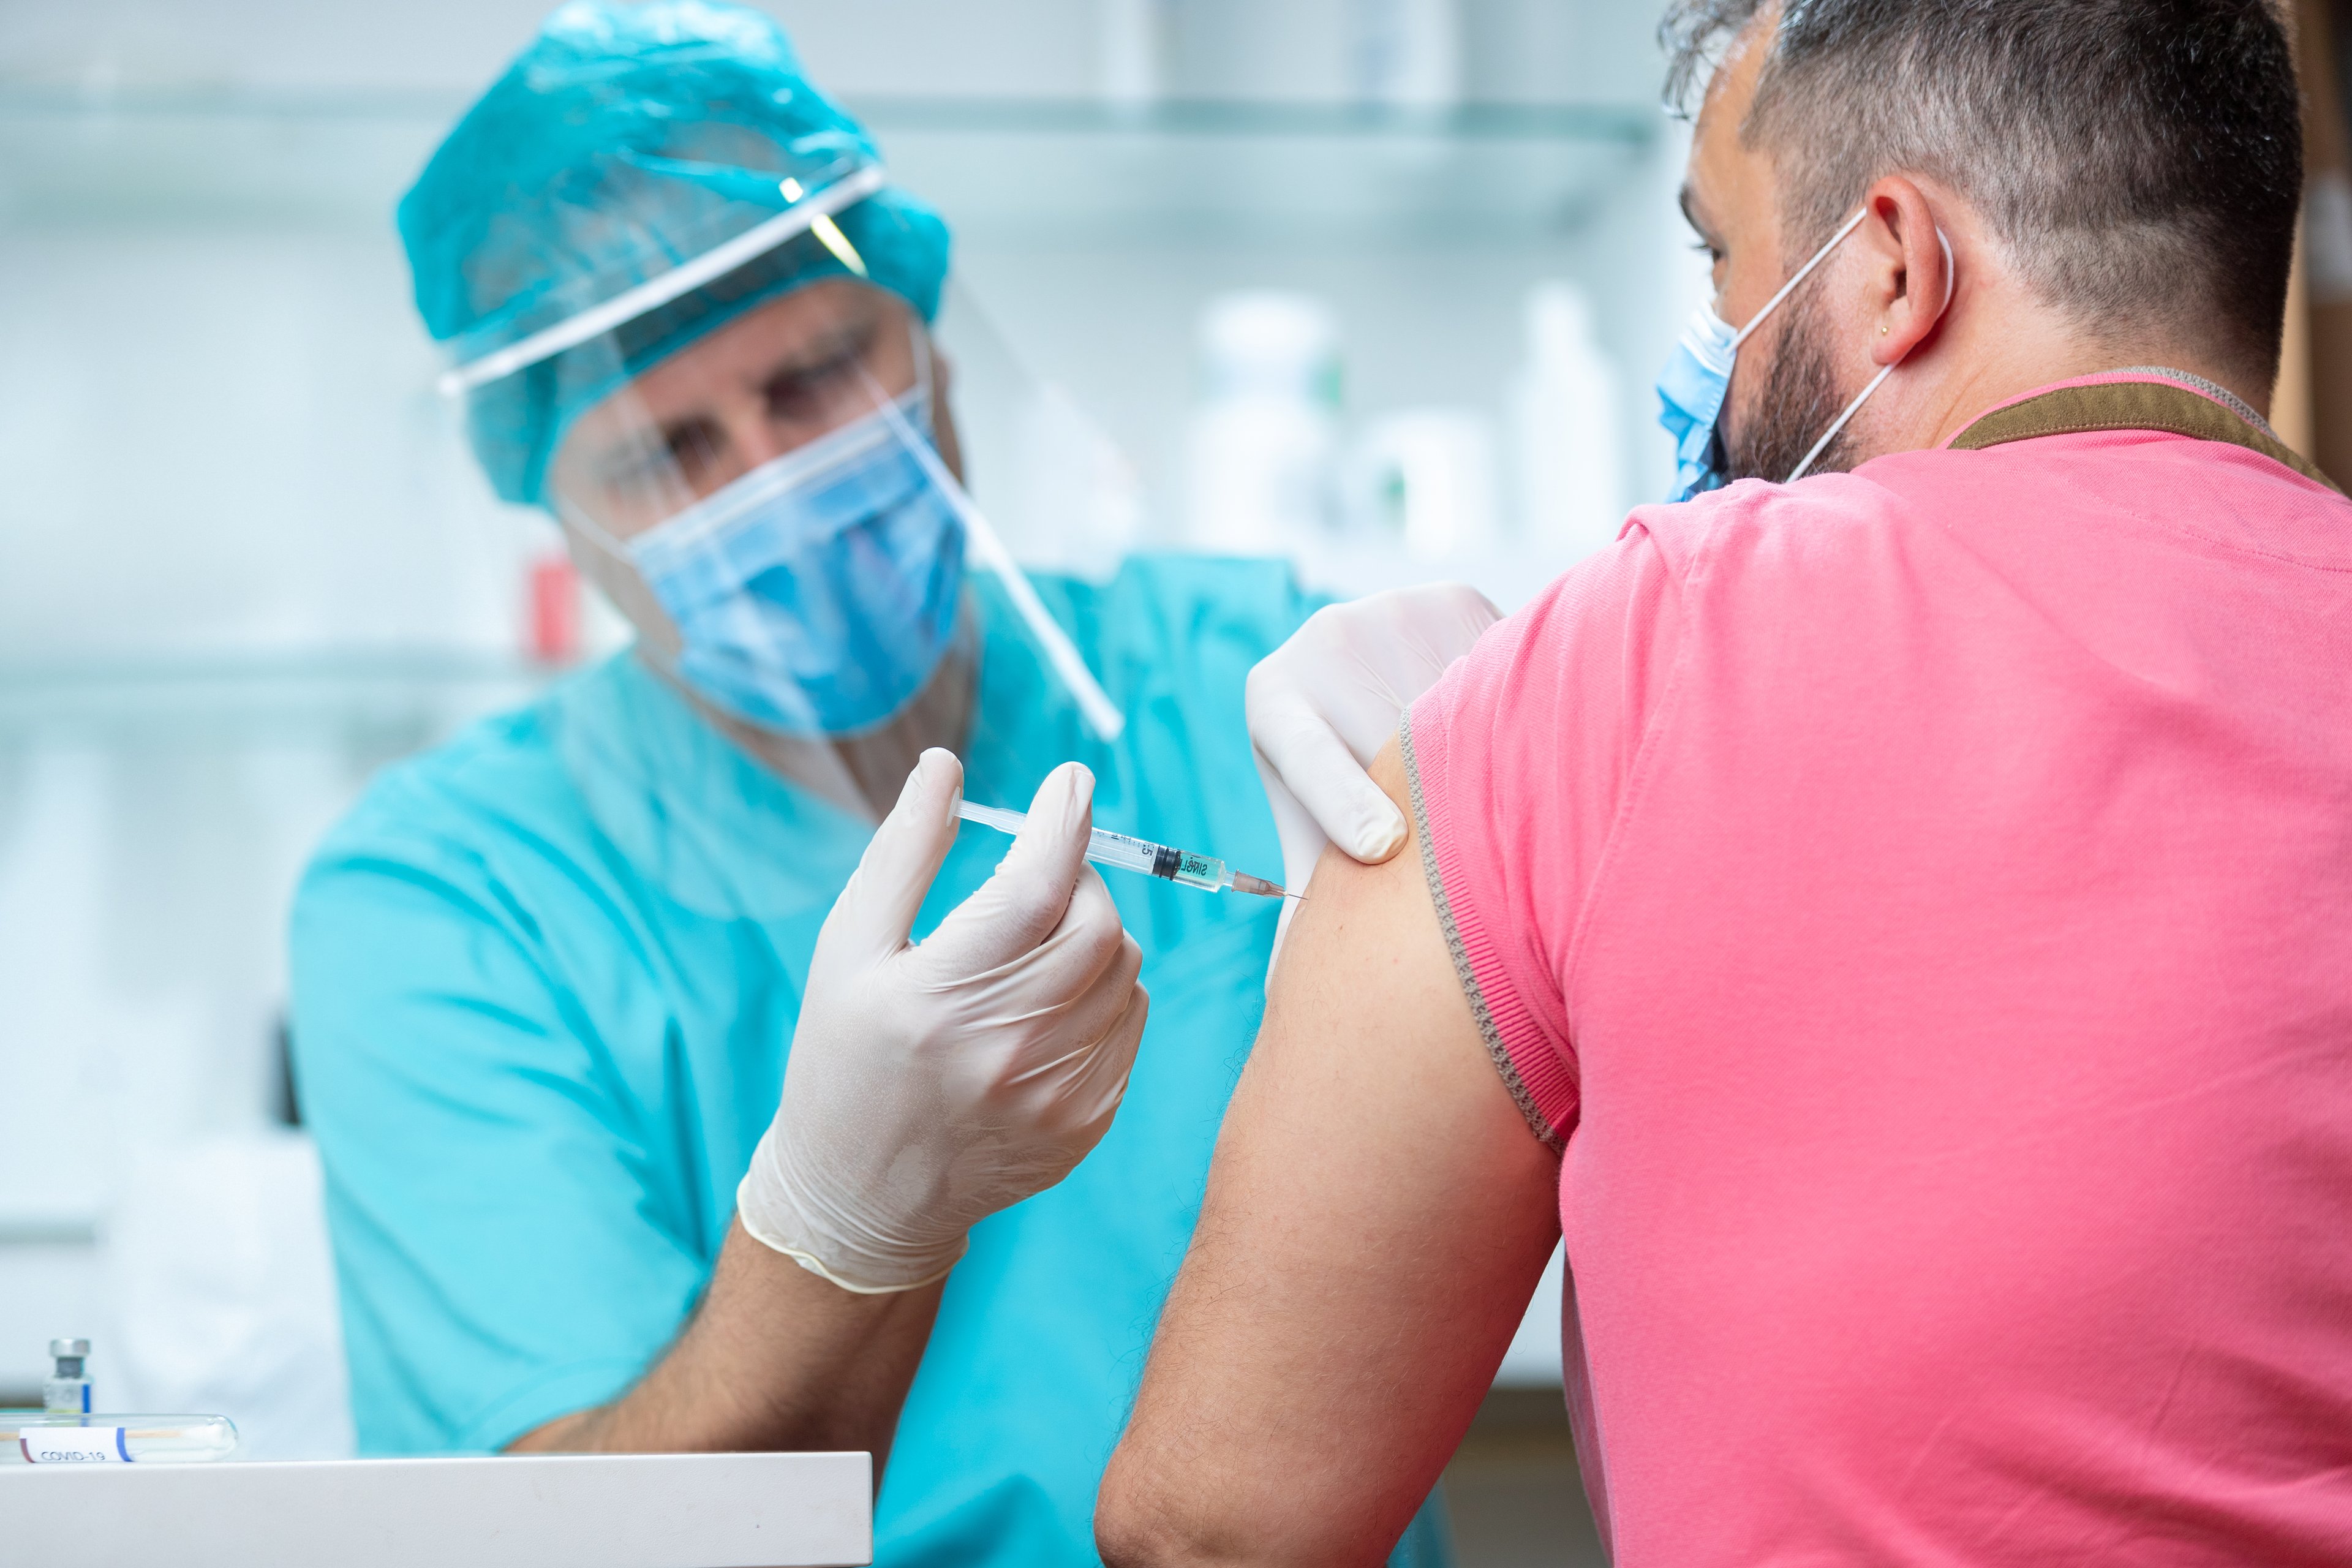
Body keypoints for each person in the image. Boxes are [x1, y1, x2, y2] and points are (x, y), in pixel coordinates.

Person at [1101, 1, 2352, 1563]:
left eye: (1720, 261)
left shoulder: (1635, 652)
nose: (1717, 340)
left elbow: (1218, 1526)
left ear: (1896, 265)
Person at [287, 4, 1451, 1564]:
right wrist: (840, 1221)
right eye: (667, 449)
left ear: (929, 343)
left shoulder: (1241, 668)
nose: (768, 477)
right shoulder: (448, 896)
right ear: (553, 504)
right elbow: (557, 1533)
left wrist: (1547, 714)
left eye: (821, 375)